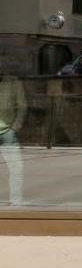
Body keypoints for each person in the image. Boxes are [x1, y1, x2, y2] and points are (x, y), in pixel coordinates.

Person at [0, 62, 28, 206]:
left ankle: (16, 200)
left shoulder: (13, 83)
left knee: (16, 167)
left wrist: (14, 129)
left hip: (7, 132)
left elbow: (22, 107)